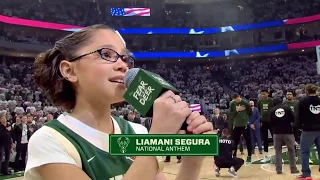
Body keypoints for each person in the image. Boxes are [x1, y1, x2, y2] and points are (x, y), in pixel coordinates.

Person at [25, 24, 214, 180]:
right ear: (69, 71)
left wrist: (193, 160)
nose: (123, 65)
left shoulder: (137, 132)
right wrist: (157, 138)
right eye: (106, 54)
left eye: (125, 58)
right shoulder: (49, 140)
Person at [295, 84, 320, 179]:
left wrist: (299, 127)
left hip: (308, 130)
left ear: (306, 91)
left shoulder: (303, 101)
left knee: (305, 152)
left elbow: (298, 116)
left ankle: (306, 174)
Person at [269, 98, 299, 174]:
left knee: (278, 151)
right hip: (288, 132)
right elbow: (293, 119)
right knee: (291, 150)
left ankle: (278, 169)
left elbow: (271, 122)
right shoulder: (287, 109)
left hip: (277, 133)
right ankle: (293, 169)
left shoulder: (272, 110)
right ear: (282, 102)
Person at [228, 93, 252, 162]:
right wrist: (237, 110)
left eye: (237, 100)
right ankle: (234, 155)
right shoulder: (232, 104)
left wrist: (245, 117)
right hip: (236, 125)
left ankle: (249, 156)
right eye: (235, 100)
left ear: (239, 97)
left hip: (245, 124)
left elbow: (250, 112)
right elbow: (230, 114)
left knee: (248, 141)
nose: (237, 101)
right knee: (234, 141)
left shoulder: (245, 103)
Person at [257, 89, 274, 162]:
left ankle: (278, 155)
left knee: (275, 137)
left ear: (268, 93)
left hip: (271, 121)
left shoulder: (271, 101)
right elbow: (258, 111)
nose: (263, 95)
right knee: (265, 138)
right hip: (263, 121)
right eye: (262, 94)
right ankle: (266, 155)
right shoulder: (259, 101)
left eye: (264, 94)